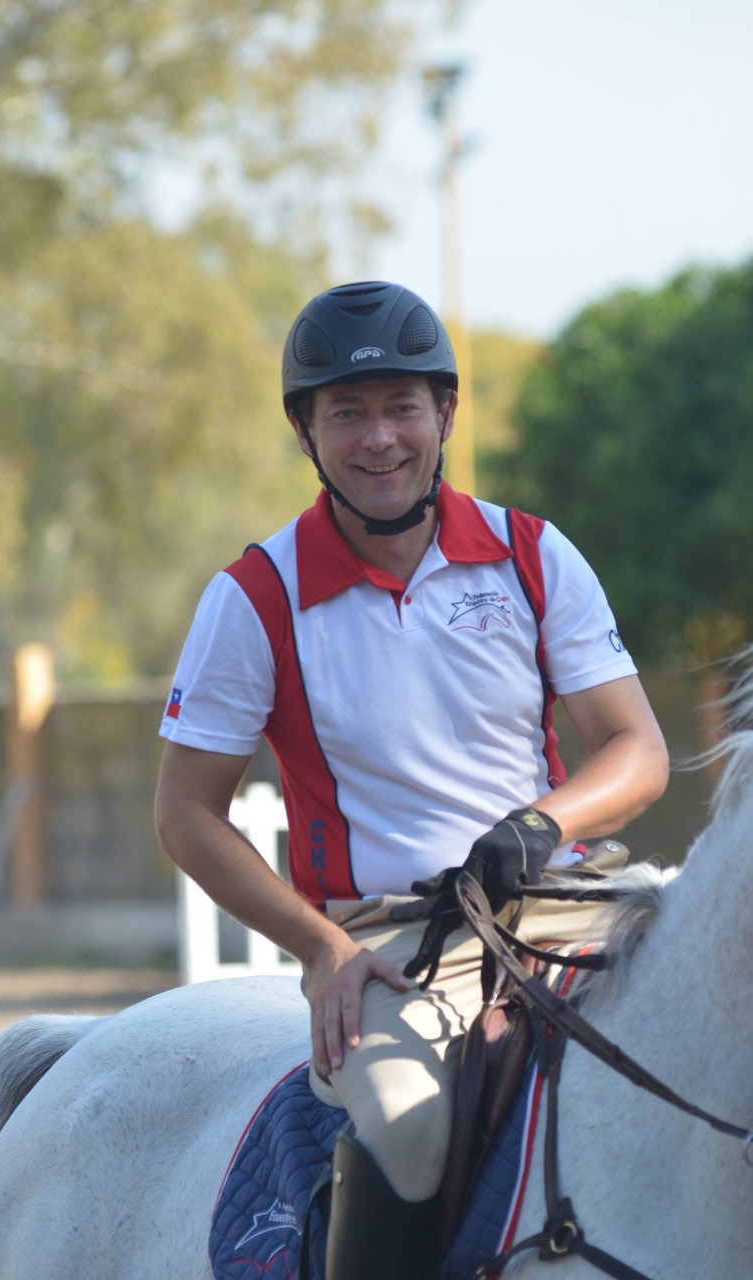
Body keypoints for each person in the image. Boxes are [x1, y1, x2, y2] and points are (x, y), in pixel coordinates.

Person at [155, 280, 669, 1279]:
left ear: (445, 412)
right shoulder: (255, 596)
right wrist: (319, 946)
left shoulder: (533, 556)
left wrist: (538, 823)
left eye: (401, 406)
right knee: (405, 1123)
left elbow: (635, 749)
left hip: (569, 902)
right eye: (346, 412)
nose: (378, 438)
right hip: (393, 940)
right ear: (306, 430)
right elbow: (184, 814)